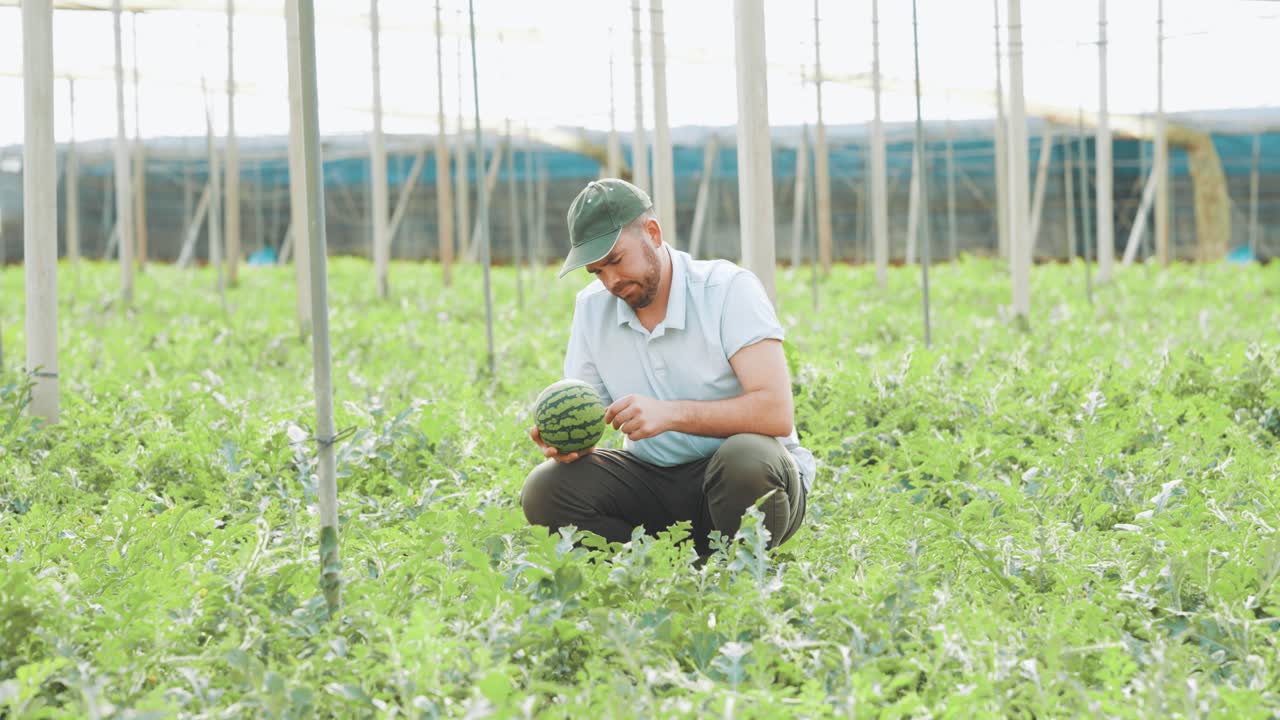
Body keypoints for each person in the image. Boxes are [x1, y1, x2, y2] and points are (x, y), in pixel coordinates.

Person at [520, 178, 815, 555]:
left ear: (653, 234)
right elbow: (587, 408)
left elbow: (776, 413)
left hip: (742, 478)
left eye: (615, 260)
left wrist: (671, 415)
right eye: (596, 271)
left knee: (746, 461)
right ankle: (657, 572)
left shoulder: (728, 290)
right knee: (546, 490)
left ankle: (734, 568)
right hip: (655, 482)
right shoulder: (592, 308)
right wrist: (570, 446)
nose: (610, 281)